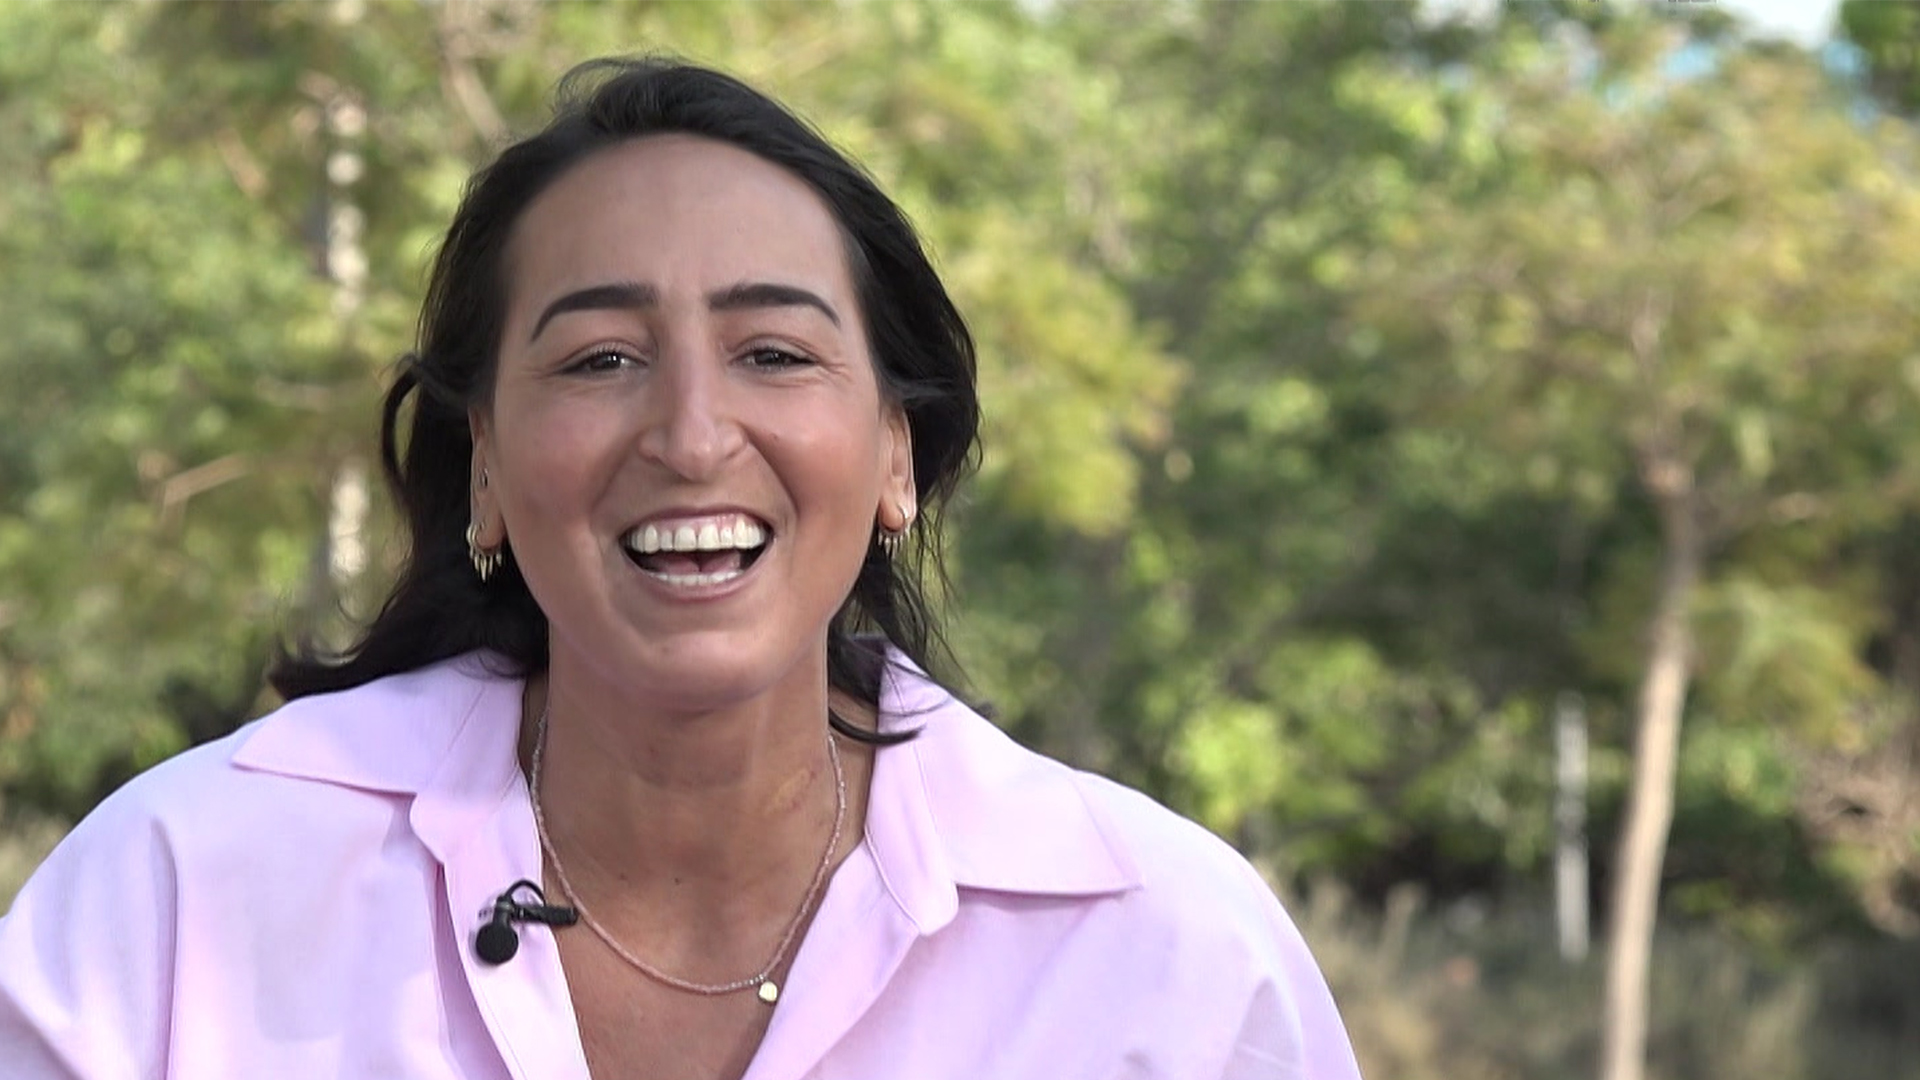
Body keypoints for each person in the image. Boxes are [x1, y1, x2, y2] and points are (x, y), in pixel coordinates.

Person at [0, 58, 1362, 1079]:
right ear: (485, 464)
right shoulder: (180, 895)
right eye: (601, 359)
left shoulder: (1170, 957)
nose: (694, 436)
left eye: (774, 353)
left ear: (896, 453)